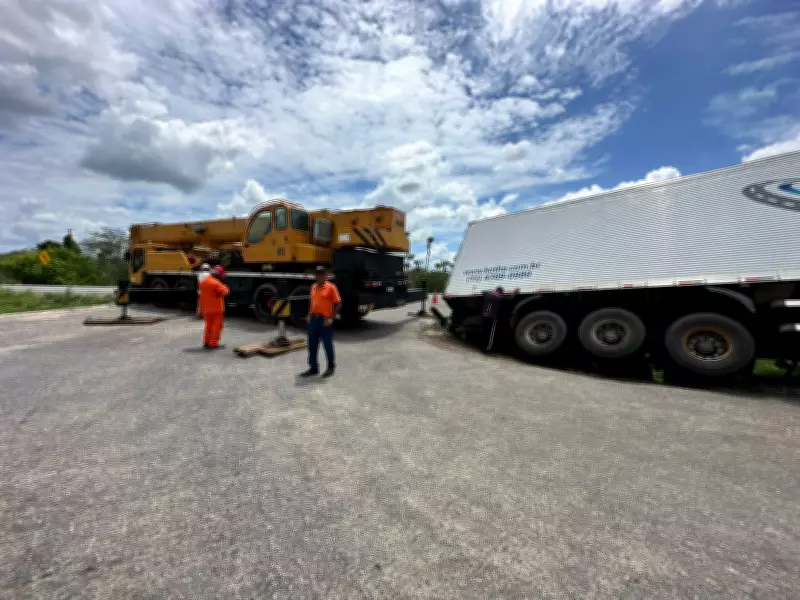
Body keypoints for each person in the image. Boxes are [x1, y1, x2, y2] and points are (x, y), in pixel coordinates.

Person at [300, 266, 341, 377]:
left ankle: (331, 367)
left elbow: (338, 304)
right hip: (313, 320)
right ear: (315, 275)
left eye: (322, 274)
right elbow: (312, 303)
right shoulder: (313, 287)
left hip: (324, 321)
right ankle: (313, 368)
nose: (319, 276)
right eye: (317, 274)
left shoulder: (331, 287)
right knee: (312, 345)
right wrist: (309, 315)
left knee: (327, 345)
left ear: (325, 275)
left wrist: (331, 318)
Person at [198, 266, 230, 350]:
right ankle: (214, 343)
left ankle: (206, 342)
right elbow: (225, 292)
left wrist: (200, 310)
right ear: (218, 274)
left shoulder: (203, 282)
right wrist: (225, 286)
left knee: (208, 326)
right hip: (217, 310)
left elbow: (201, 297)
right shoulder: (216, 283)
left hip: (207, 309)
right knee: (217, 326)